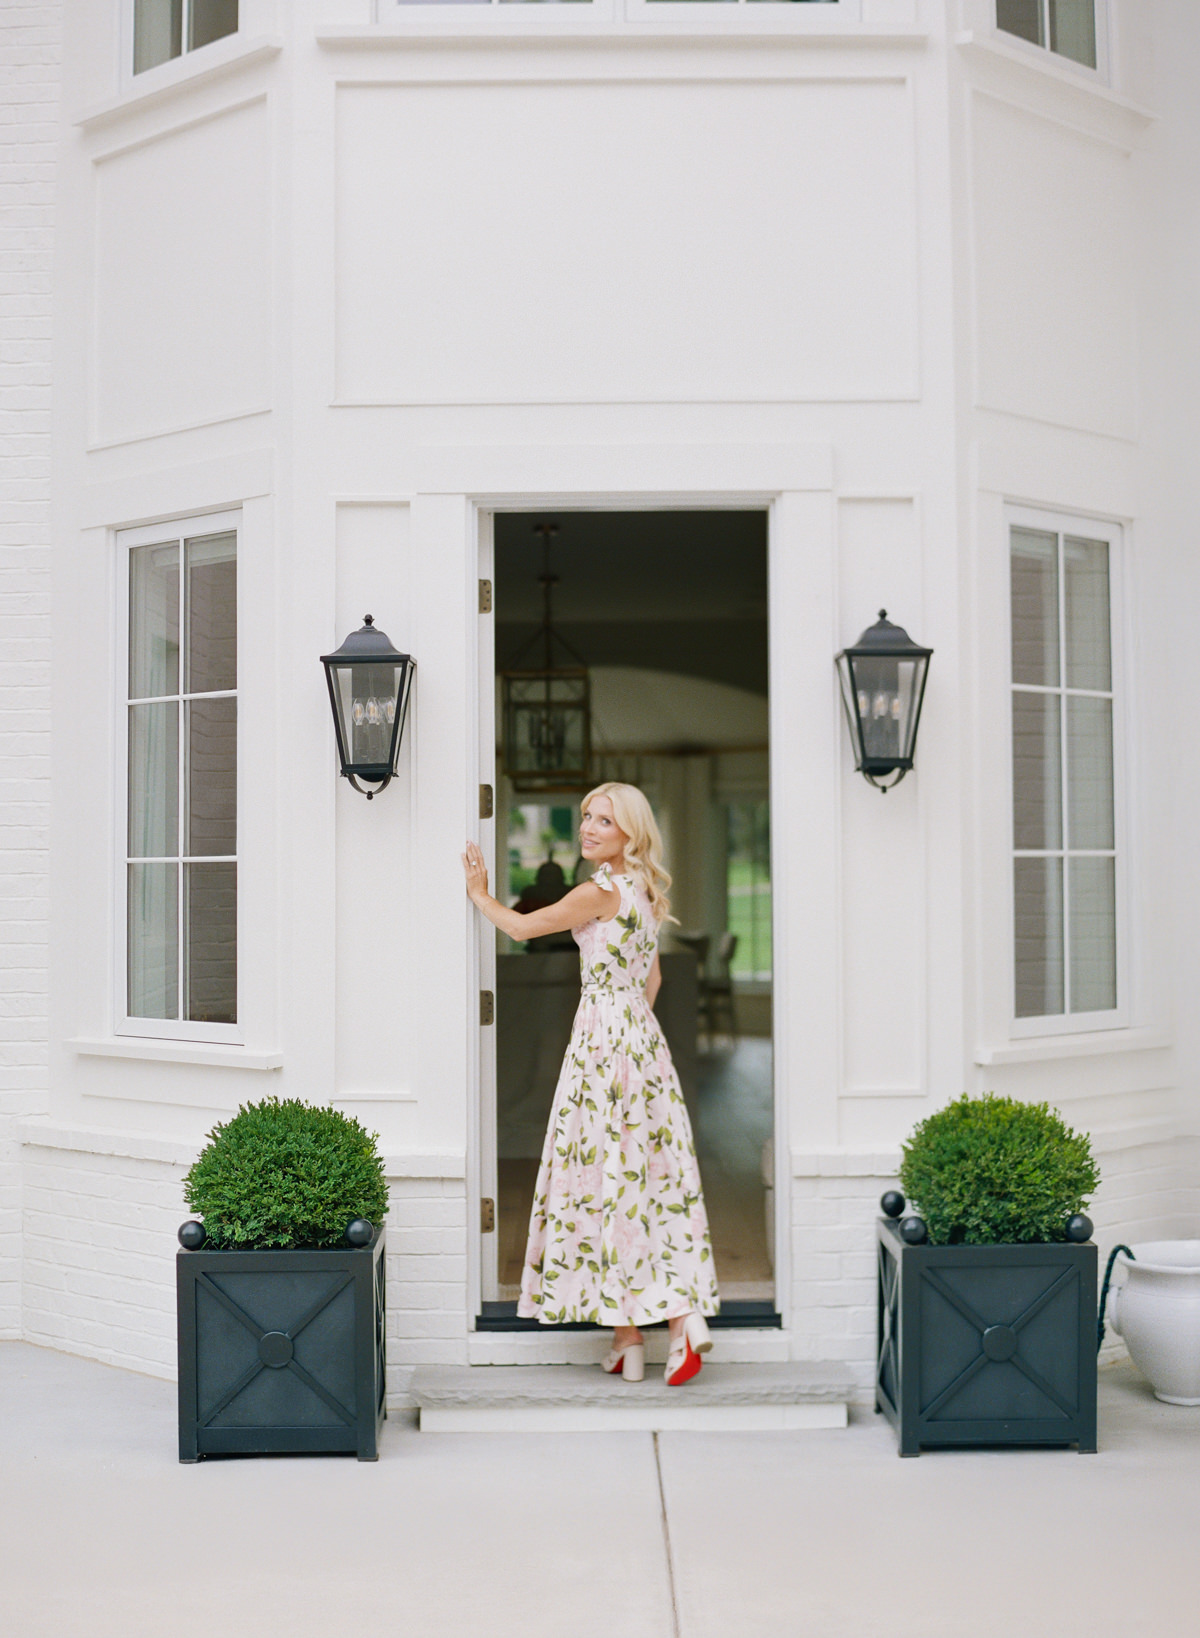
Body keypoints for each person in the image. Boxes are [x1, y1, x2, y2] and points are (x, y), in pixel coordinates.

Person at [463, 781, 719, 1386]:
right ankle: (633, 1337)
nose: (588, 828)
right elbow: (651, 980)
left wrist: (479, 894)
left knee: (601, 1174)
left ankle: (675, 1317)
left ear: (629, 832)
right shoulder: (646, 894)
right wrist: (634, 1027)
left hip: (603, 1045)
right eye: (585, 817)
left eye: (603, 821)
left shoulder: (599, 892)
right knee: (643, 1176)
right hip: (644, 1045)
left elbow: (522, 929)